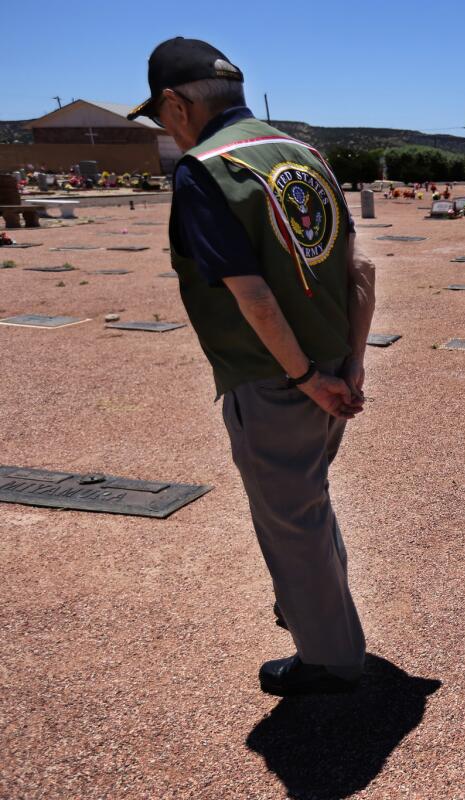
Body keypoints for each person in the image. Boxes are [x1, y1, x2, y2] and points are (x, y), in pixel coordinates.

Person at [129, 37, 374, 696]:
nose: (163, 130)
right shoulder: (306, 154)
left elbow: (254, 296)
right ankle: (318, 620)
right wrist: (349, 367)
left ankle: (331, 662)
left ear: (176, 104)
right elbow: (359, 272)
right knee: (307, 508)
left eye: (158, 116)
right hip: (330, 365)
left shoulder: (205, 169)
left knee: (292, 522)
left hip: (278, 377)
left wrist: (304, 379)